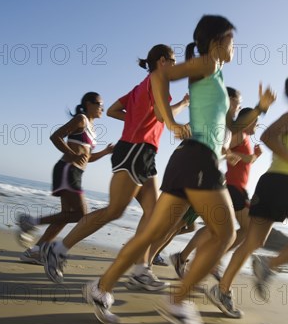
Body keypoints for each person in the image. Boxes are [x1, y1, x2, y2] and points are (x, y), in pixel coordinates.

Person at [79, 15, 276, 324]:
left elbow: (229, 128)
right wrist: (169, 121)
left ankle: (100, 289)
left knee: (149, 236)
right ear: (216, 42)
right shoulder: (208, 65)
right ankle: (179, 301)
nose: (234, 48)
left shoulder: (214, 73)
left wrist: (260, 109)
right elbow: (162, 77)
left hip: (187, 161)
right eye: (231, 41)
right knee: (226, 234)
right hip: (198, 160)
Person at [41, 45, 189, 290]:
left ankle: (141, 270)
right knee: (115, 210)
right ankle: (57, 249)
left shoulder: (143, 85)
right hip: (134, 150)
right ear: (162, 61)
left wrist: (173, 108)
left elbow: (112, 111)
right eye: (173, 61)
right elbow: (163, 117)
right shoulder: (158, 80)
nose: (175, 65)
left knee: (153, 213)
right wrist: (177, 126)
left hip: (145, 154)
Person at [208, 76, 288, 318]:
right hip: (284, 184)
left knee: (253, 242)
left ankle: (222, 290)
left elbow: (284, 143)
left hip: (272, 183)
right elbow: (268, 136)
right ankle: (268, 265)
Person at [170, 107, 263, 288]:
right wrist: (243, 156)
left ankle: (185, 258)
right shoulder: (240, 135)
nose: (257, 126)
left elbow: (237, 157)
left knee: (215, 230)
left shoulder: (243, 137)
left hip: (236, 188)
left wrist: (252, 157)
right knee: (246, 228)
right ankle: (211, 260)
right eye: (255, 122)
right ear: (248, 120)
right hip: (233, 188)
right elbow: (222, 150)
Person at [17, 92, 114, 264]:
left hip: (75, 172)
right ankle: (31, 221)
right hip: (67, 170)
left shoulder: (93, 129)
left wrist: (106, 152)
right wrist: (72, 154)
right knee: (80, 214)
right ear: (88, 103)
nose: (102, 108)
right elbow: (56, 136)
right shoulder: (81, 119)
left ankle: (35, 251)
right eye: (100, 104)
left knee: (66, 215)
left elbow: (87, 157)